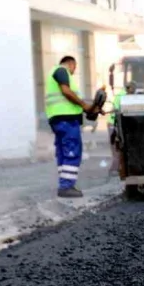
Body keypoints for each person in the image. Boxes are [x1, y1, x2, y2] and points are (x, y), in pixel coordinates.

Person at [45, 55, 97, 198]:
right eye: (75, 68)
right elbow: (66, 92)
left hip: (57, 119)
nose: (74, 71)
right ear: (72, 64)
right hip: (66, 119)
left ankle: (64, 184)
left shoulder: (53, 73)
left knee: (63, 151)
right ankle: (66, 186)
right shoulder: (62, 70)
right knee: (73, 149)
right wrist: (84, 105)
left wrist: (87, 106)